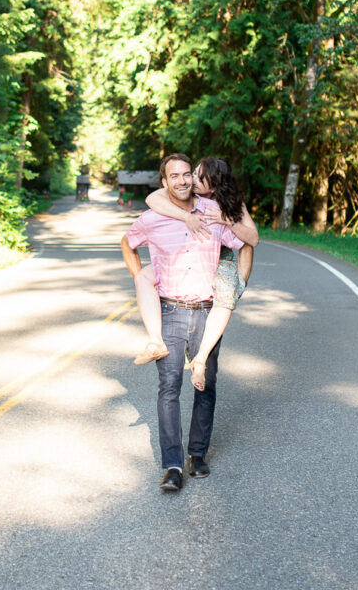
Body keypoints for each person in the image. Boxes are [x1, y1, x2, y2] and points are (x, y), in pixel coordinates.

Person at [121, 153, 253, 491]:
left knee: (205, 384)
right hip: (170, 311)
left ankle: (197, 454)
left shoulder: (211, 213)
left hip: (207, 311)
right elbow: (128, 242)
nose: (181, 180)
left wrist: (240, 280)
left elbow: (244, 243)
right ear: (164, 182)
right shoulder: (152, 217)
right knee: (169, 389)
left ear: (192, 179)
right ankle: (172, 465)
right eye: (174, 176)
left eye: (185, 174)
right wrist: (142, 277)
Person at [134, 156, 258, 393]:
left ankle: (199, 359)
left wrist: (226, 221)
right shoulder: (188, 195)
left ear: (215, 185)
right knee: (146, 277)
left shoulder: (231, 202)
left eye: (200, 177)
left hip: (223, 257)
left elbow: (251, 240)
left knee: (224, 295)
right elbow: (152, 199)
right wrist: (187, 216)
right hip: (196, 254)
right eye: (194, 174)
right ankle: (161, 343)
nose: (193, 180)